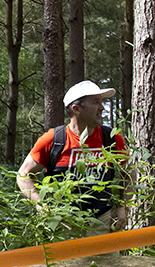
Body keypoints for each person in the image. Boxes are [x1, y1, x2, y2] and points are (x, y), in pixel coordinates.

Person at [17, 80, 128, 230]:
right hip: (63, 224)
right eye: (96, 102)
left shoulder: (111, 138)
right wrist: (41, 204)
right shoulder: (54, 139)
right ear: (76, 109)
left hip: (102, 223)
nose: (102, 107)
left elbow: (129, 173)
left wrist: (123, 207)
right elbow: (23, 175)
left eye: (101, 102)